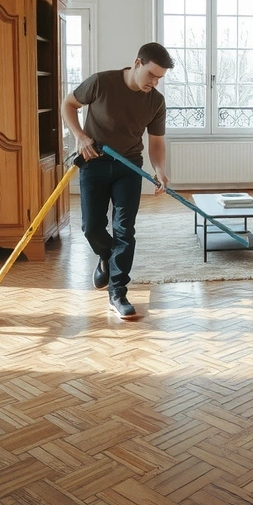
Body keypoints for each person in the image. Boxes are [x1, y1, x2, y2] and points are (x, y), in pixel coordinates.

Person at [61, 43, 174, 318]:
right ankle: (106, 259)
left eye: (160, 77)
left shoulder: (156, 102)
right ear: (137, 63)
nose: (154, 82)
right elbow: (68, 104)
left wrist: (159, 169)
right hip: (93, 162)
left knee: (125, 229)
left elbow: (156, 142)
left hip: (129, 167)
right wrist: (80, 135)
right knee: (91, 227)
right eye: (151, 74)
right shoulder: (102, 82)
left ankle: (118, 292)